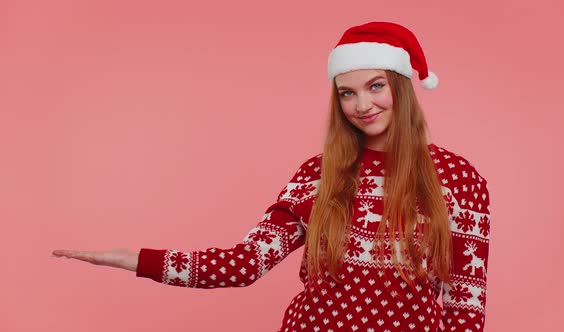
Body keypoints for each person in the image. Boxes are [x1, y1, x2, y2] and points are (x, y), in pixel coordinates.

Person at [53, 21, 491, 331]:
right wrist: (136, 260)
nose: (362, 105)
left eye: (376, 86)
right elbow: (245, 263)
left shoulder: (457, 178)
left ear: (401, 87)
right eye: (347, 93)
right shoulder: (320, 174)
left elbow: (465, 303)